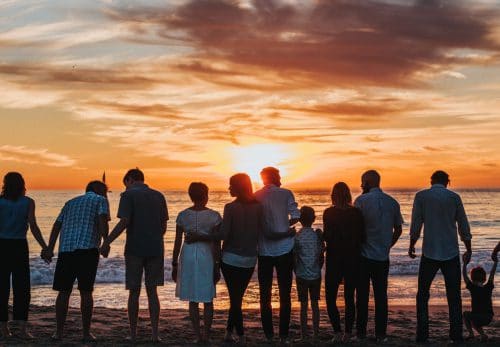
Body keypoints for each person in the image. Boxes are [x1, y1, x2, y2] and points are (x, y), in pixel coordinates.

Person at [100, 169, 168, 342]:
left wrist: (107, 241)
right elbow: (163, 227)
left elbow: (124, 221)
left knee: (134, 292)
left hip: (135, 249)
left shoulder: (128, 195)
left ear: (129, 180)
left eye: (126, 184)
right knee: (152, 292)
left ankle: (133, 334)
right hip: (155, 248)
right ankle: (155, 335)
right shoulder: (159, 196)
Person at [409, 170, 472, 343]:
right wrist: (468, 247)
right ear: (447, 182)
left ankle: (422, 335)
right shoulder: (454, 198)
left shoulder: (421, 197)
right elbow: (463, 225)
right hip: (450, 252)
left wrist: (412, 244)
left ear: (431, 181)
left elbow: (416, 223)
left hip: (429, 252)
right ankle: (456, 335)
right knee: (454, 296)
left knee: (422, 295)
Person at [42, 181, 109, 341]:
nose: (106, 193)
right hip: (87, 250)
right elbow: (101, 220)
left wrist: (50, 248)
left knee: (63, 292)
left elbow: (57, 225)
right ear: (98, 190)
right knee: (86, 292)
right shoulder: (100, 200)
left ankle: (58, 332)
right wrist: (106, 241)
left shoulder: (70, 203)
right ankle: (86, 333)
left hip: (66, 250)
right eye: (105, 190)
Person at [354, 170, 403, 342]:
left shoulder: (360, 201)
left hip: (364, 256)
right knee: (381, 297)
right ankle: (380, 334)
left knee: (362, 297)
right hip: (382, 256)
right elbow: (398, 229)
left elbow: (356, 229)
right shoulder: (392, 202)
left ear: (367, 182)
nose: (361, 186)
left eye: (362, 182)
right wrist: (388, 245)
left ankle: (361, 334)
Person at [0, 172, 48, 339]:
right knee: (22, 288)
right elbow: (33, 226)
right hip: (19, 246)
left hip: (2, 245)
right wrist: (45, 246)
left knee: (2, 288)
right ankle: (22, 329)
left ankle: (4, 329)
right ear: (22, 184)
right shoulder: (28, 202)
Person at [254, 167, 300, 344]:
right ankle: (283, 336)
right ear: (275, 177)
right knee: (285, 294)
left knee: (264, 295)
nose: (281, 178)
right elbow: (296, 216)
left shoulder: (256, 196)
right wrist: (284, 224)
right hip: (284, 249)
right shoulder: (286, 193)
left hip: (264, 251)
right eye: (279, 175)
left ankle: (269, 335)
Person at [171, 182, 221, 343]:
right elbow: (217, 243)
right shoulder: (214, 216)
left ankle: (198, 336)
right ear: (206, 195)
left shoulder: (182, 215)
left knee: (193, 298)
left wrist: (174, 264)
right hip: (207, 255)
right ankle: (206, 335)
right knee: (207, 298)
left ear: (190, 196)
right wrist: (217, 265)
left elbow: (177, 242)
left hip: (188, 255)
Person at [219, 173, 263, 344]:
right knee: (236, 297)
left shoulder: (230, 208)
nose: (229, 188)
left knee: (235, 298)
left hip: (230, 258)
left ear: (238, 187)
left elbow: (224, 234)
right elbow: (263, 231)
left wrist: (205, 234)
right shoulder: (259, 207)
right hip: (250, 259)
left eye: (231, 185)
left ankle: (241, 335)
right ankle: (229, 332)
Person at [323, 182, 365, 342]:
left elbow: (328, 236)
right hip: (353, 258)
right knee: (349, 297)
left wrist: (321, 236)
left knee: (330, 297)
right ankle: (348, 333)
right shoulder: (356, 213)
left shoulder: (328, 213)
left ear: (333, 195)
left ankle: (337, 332)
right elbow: (362, 237)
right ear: (348, 195)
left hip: (334, 258)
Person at [293, 206, 324, 342]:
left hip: (301, 275)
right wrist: (318, 267)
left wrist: (296, 270)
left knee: (304, 306)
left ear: (299, 220)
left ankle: (304, 336)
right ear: (314, 219)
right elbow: (321, 255)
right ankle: (316, 334)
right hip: (315, 275)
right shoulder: (317, 236)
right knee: (315, 305)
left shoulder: (297, 237)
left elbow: (294, 257)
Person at [462, 253, 497, 342]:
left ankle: (471, 334)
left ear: (472, 278)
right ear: (484, 278)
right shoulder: (488, 286)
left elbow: (465, 276)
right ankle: (483, 335)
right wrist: (495, 262)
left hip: (479, 317)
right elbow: (492, 274)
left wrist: (465, 264)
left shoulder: (473, 288)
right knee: (474, 320)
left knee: (466, 315)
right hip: (489, 317)